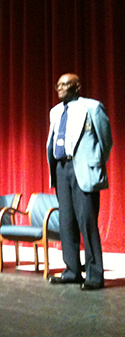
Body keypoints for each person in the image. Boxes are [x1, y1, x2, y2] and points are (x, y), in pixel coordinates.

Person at [47, 73, 112, 291]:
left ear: (77, 86)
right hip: (61, 169)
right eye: (58, 85)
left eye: (65, 84)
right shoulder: (55, 112)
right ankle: (72, 271)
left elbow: (106, 141)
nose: (60, 88)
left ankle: (95, 275)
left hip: (82, 169)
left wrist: (93, 163)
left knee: (87, 222)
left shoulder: (92, 107)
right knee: (67, 223)